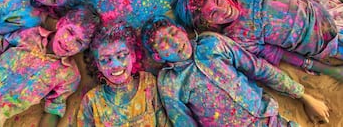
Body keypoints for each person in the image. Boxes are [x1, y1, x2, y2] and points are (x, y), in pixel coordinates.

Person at [141, 15, 331, 125]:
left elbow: (258, 68)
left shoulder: (211, 44)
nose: (174, 42)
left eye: (174, 33)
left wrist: (305, 97)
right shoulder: (169, 82)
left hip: (267, 118)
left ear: (182, 30)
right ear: (158, 56)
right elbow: (184, 123)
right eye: (163, 43)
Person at [174, 0, 343, 80]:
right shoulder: (237, 37)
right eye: (214, 14)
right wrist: (329, 70)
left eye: (218, 2)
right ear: (209, 24)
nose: (224, 10)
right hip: (321, 44)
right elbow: (277, 54)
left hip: (325, 11)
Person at [77, 22, 169, 126]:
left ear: (133, 55)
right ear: (98, 65)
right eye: (105, 60)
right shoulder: (91, 101)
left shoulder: (148, 84)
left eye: (122, 55)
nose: (115, 65)